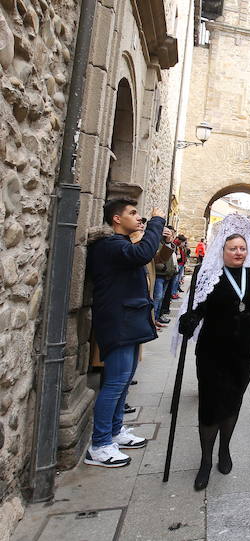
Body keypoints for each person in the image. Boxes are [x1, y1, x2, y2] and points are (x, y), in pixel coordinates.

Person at [178, 216, 250, 491]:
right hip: (212, 350)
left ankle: (225, 450)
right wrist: (190, 320)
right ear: (222, 251)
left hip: (243, 352)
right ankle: (206, 461)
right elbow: (198, 307)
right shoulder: (210, 275)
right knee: (210, 404)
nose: (238, 253)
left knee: (234, 400)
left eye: (242, 249)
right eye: (233, 249)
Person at [84, 199, 164, 468]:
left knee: (124, 379)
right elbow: (143, 254)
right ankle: (100, 444)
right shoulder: (110, 245)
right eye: (133, 213)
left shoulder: (120, 245)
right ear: (117, 219)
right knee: (115, 381)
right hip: (118, 321)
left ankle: (115, 431)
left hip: (129, 320)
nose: (138, 218)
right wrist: (156, 221)